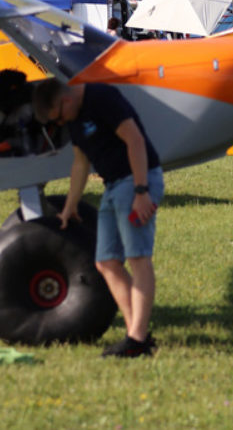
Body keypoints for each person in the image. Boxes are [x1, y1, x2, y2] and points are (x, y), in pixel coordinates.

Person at [33, 79, 164, 358]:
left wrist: (142, 191)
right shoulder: (73, 117)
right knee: (106, 262)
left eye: (57, 118)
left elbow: (135, 140)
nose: (60, 123)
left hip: (136, 180)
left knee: (138, 258)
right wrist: (69, 206)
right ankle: (136, 334)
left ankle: (137, 340)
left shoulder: (102, 98)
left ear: (64, 101)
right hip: (113, 185)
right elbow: (80, 163)